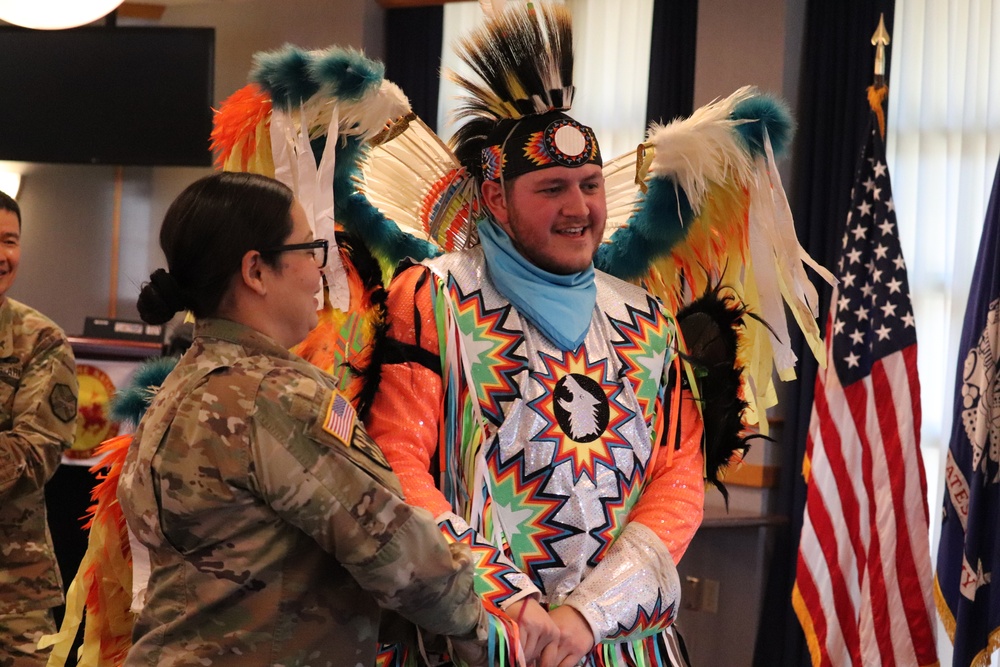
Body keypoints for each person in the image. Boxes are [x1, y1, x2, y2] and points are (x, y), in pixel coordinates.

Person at [364, 5, 705, 666]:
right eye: (551, 188)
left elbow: (678, 475)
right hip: (482, 639)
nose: (579, 208)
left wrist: (587, 615)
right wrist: (508, 600)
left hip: (616, 643)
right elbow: (395, 460)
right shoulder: (434, 298)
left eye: (588, 185)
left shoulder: (648, 320)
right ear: (496, 198)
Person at [117, 171, 489, 666]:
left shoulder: (185, 382)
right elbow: (396, 552)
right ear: (256, 270)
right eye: (310, 249)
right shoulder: (276, 395)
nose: (321, 271)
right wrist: (487, 630)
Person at [0, 191, 79, 666]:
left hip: (13, 589)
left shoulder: (41, 341)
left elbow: (35, 454)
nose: (1, 255)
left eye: (10, 241)